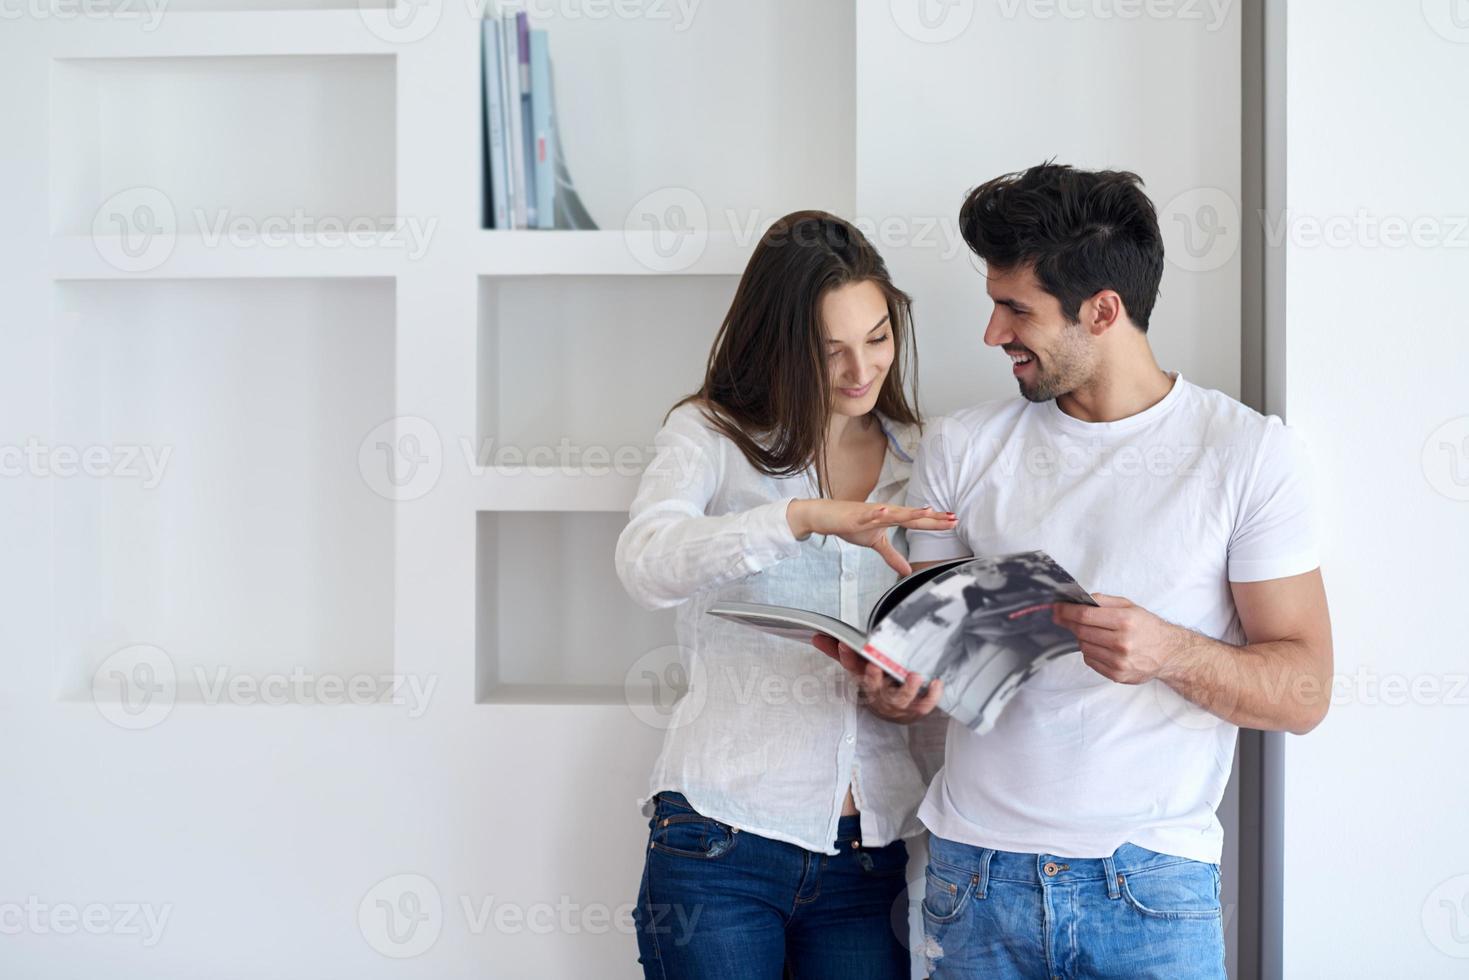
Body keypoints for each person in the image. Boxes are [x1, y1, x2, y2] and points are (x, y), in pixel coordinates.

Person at [819, 164, 1333, 978]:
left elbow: (1304, 694)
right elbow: (933, 676)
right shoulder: (959, 447)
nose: (991, 334)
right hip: (973, 881)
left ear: (1102, 311)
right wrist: (896, 692)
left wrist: (1170, 652)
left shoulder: (1244, 454)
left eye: (1014, 308)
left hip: (1150, 888)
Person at [615, 210, 957, 978]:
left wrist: (912, 695)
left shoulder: (929, 457)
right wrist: (798, 517)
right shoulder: (710, 436)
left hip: (865, 862)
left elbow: (940, 639)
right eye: (828, 351)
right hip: (719, 844)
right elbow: (644, 563)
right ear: (779, 344)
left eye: (876, 338)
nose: (859, 370)